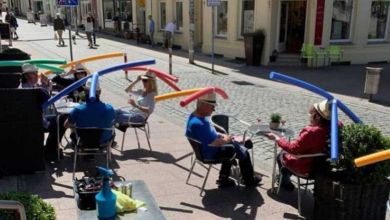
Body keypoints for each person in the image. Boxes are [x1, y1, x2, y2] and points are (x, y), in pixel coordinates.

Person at [185, 92, 262, 187]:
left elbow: (209, 134)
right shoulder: (199, 124)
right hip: (211, 153)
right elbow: (215, 143)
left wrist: (222, 135)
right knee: (243, 150)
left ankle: (224, 178)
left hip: (203, 151)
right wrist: (227, 139)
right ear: (204, 105)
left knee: (239, 145)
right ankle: (249, 181)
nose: (214, 109)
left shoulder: (194, 117)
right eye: (212, 107)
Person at [265, 100, 331, 191]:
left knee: (280, 156)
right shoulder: (335, 126)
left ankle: (284, 181)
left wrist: (277, 138)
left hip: (306, 167)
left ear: (317, 116)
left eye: (310, 113)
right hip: (322, 168)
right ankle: (284, 175)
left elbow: (293, 149)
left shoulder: (312, 132)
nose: (309, 116)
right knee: (284, 156)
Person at [64, 79, 115, 145]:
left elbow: (66, 125)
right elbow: (113, 121)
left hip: (82, 140)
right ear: (99, 92)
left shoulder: (78, 109)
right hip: (103, 141)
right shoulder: (109, 108)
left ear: (85, 92)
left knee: (73, 128)